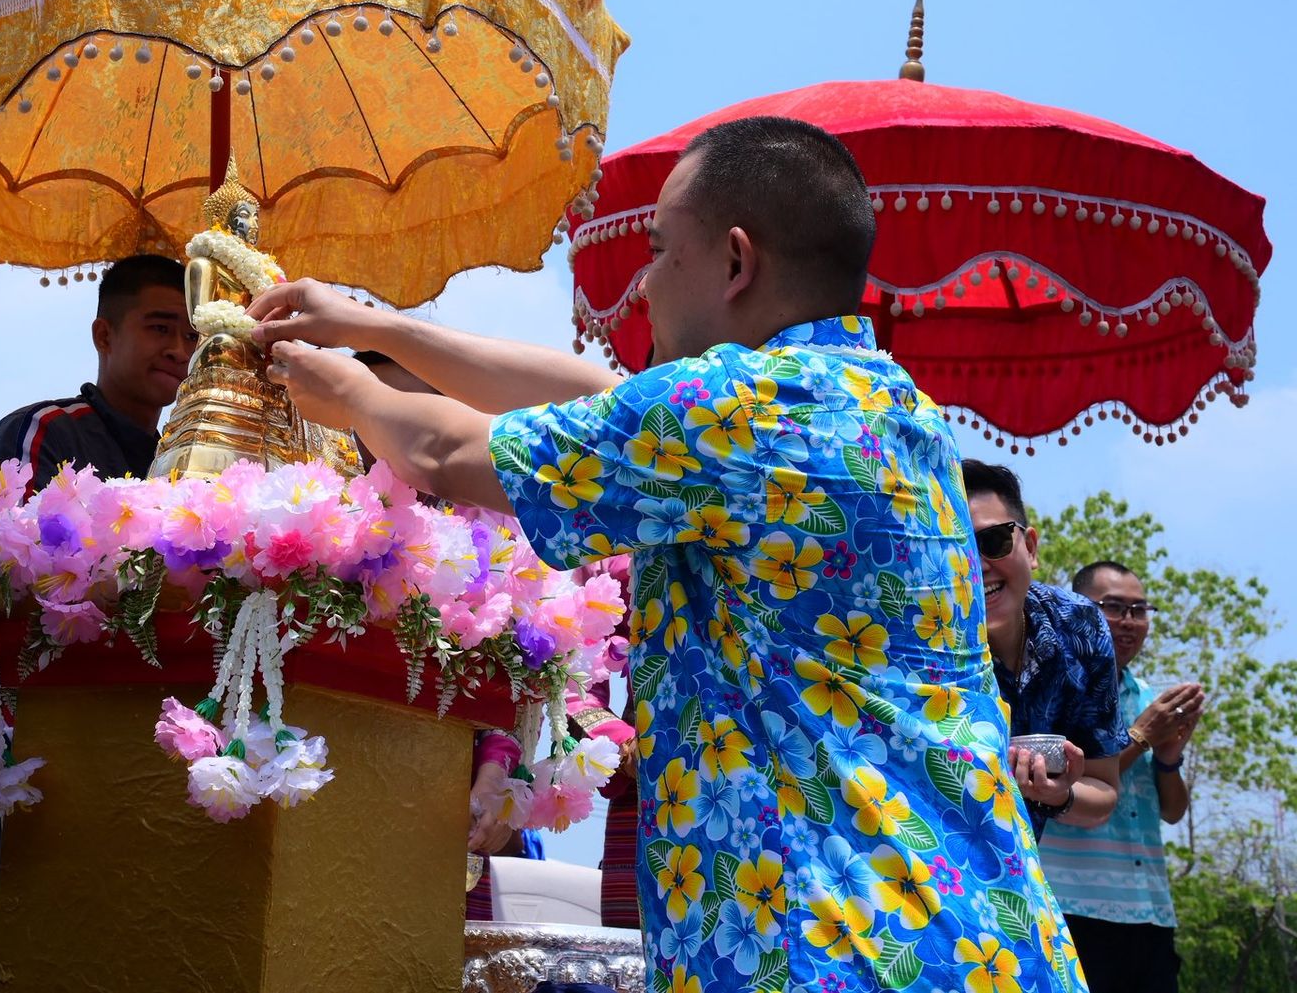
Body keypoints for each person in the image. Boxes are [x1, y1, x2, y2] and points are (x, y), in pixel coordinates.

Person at [251, 116, 1080, 992]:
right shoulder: (894, 407)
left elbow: (445, 452)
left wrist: (343, 387)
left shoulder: (739, 408)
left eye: (657, 250)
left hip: (831, 947)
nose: (644, 283)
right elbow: (601, 392)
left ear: (735, 260)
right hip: (982, 932)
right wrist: (377, 329)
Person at [0, 253, 194, 980]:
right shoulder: (45, 433)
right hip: (50, 744)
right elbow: (4, 580)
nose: (179, 348)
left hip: (157, 748)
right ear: (103, 334)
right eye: (159, 327)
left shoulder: (192, 463)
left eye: (192, 334)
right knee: (37, 949)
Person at [353, 352, 553, 919]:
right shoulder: (321, 511)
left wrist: (494, 777)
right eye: (377, 409)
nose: (396, 429)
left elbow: (507, 693)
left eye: (418, 409)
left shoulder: (492, 533)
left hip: (451, 809)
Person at [1039, 561, 1202, 991]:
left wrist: (1168, 758)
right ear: (1077, 608)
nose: (1129, 621)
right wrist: (1142, 736)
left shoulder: (1149, 698)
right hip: (1073, 906)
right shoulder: (1053, 688)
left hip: (1151, 910)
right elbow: (1053, 789)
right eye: (1113, 607)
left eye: (1139, 610)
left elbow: (1172, 811)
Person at [961, 460, 1124, 837]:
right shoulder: (917, 645)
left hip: (1020, 862)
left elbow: (1104, 789)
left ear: (1031, 547)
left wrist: (1058, 796)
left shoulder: (1081, 626)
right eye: (958, 548)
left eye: (994, 541)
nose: (976, 565)